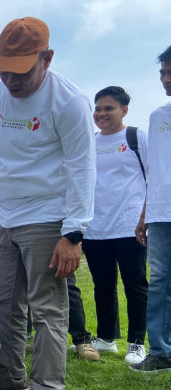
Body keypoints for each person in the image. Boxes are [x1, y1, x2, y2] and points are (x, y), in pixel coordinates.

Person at [0, 17, 95, 390]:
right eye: (5, 69)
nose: (11, 80)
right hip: (4, 220)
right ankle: (9, 375)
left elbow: (82, 167)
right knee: (4, 302)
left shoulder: (69, 102)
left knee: (47, 306)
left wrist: (73, 232)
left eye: (21, 70)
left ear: (47, 57)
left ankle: (46, 389)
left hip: (47, 217)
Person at [83, 86, 148, 364]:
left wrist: (145, 218)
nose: (101, 113)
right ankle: (107, 338)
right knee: (102, 285)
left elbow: (154, 177)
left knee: (135, 284)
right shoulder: (89, 142)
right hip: (95, 228)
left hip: (129, 225)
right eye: (98, 108)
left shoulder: (135, 137)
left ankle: (136, 343)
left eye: (108, 108)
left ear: (124, 110)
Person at [132, 45, 171, 373]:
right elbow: (154, 172)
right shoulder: (158, 117)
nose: (166, 79)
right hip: (161, 212)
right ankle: (160, 351)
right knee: (159, 279)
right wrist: (145, 215)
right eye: (163, 73)